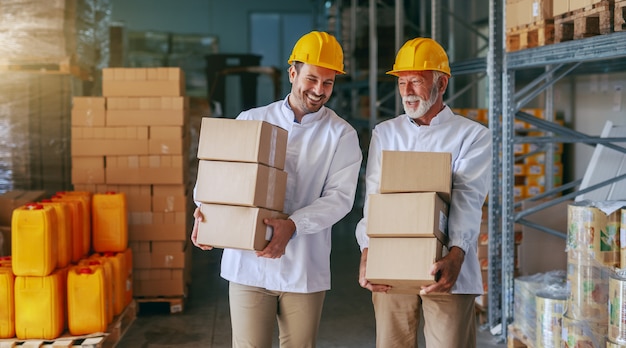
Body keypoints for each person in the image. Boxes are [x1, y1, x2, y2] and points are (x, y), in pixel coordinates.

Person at [191, 31, 363, 348]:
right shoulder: (252, 120)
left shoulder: (341, 135)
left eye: (328, 83)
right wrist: (205, 211)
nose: (318, 90)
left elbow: (339, 200)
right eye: (312, 79)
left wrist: (293, 225)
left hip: (303, 267)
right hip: (247, 265)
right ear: (293, 73)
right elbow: (220, 173)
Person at [355, 37, 491, 348]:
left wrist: (456, 255)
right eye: (402, 82)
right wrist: (367, 252)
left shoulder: (471, 136)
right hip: (392, 264)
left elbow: (468, 200)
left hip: (446, 267)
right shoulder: (385, 133)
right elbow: (374, 200)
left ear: (441, 83)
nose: (407, 91)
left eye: (416, 82)